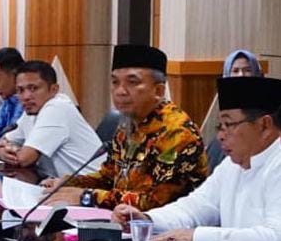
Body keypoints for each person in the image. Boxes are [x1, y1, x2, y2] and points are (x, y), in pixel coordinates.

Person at [113, 77, 281, 241]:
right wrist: (146, 220)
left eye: (229, 124)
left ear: (264, 125)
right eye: (220, 126)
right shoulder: (231, 166)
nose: (220, 136)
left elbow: (276, 239)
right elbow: (194, 208)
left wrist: (196, 236)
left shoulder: (279, 164)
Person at [50, 44, 206, 210]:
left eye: (132, 82)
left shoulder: (176, 132)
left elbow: (155, 201)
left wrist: (88, 196)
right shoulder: (128, 125)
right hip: (124, 217)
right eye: (115, 82)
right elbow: (109, 178)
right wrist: (70, 183)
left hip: (167, 223)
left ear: (158, 91)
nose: (120, 91)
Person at [0, 60, 104, 179]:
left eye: (33, 88)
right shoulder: (32, 111)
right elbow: (4, 141)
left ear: (53, 89)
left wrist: (5, 151)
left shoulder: (57, 108)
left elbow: (24, 159)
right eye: (20, 90)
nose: (26, 97)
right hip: (60, 183)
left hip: (93, 185)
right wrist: (0, 150)